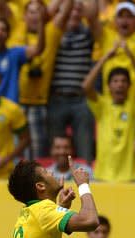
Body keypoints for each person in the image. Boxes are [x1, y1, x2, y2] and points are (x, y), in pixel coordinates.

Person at [83, 41, 135, 182]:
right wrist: (105, 58)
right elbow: (86, 86)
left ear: (129, 86)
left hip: (131, 177)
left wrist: (130, 56)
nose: (120, 85)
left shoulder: (134, 106)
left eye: (124, 81)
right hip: (103, 175)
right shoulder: (102, 105)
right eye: (115, 81)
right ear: (109, 86)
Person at [46, 0, 96, 163]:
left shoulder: (88, 34)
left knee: (85, 149)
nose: (74, 13)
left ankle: (86, 184)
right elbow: (45, 13)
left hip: (81, 100)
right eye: (70, 9)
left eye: (78, 9)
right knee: (56, 149)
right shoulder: (53, 32)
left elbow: (93, 14)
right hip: (56, 98)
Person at [19, 0, 69, 158]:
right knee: (15, 149)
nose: (35, 16)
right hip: (15, 101)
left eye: (39, 12)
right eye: (31, 12)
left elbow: (66, 10)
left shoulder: (51, 31)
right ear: (24, 16)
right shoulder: (15, 31)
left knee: (38, 151)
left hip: (38, 103)